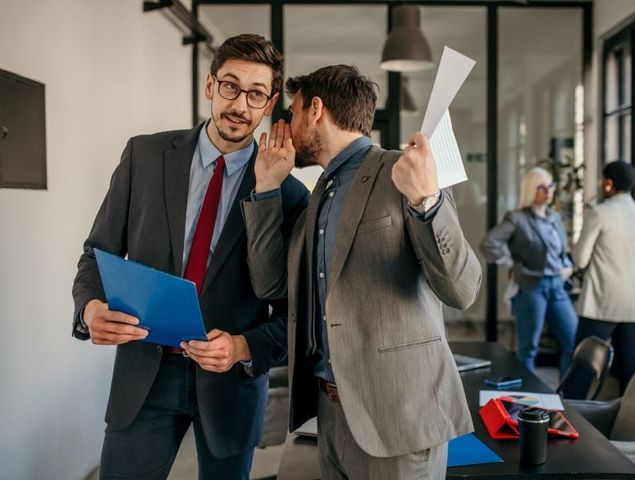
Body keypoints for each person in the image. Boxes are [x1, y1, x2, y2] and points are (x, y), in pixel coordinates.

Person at [71, 34, 308, 479]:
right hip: (144, 374)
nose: (240, 104)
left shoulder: (290, 195)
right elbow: (95, 255)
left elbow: (295, 315)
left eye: (256, 94)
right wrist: (90, 309)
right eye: (230, 86)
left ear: (270, 102)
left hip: (230, 384)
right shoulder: (144, 155)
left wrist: (241, 346)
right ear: (209, 86)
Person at [243, 65, 482, 479]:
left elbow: (462, 289)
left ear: (315, 109)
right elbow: (271, 286)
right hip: (331, 415)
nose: (287, 125)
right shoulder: (318, 197)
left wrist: (428, 201)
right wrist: (266, 189)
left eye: (293, 112)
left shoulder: (402, 173)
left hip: (399, 421)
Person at [571, 160, 635, 393]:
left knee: (583, 366)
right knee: (631, 370)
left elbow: (580, 259)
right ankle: (628, 424)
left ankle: (570, 421)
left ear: (608, 183)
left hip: (603, 302)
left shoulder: (599, 213)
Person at [480, 167, 577, 377]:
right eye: (541, 187)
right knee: (528, 348)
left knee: (573, 340)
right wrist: (511, 264)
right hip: (532, 287)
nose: (548, 192)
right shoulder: (517, 218)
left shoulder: (555, 217)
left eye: (550, 186)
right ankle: (526, 402)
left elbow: (561, 250)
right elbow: (489, 244)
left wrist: (567, 265)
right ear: (531, 190)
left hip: (557, 286)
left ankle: (568, 397)